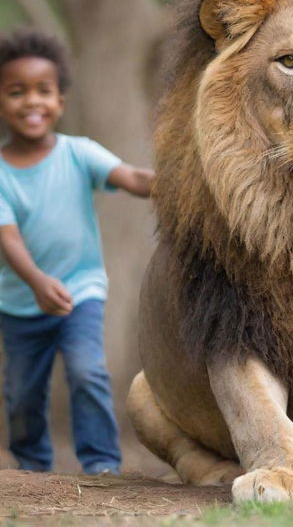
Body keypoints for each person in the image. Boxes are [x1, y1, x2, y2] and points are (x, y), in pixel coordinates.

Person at [0, 29, 155, 474]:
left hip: (81, 292)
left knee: (88, 372)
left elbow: (132, 179)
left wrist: (174, 184)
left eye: (43, 91)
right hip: (19, 302)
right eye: (16, 92)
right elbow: (8, 238)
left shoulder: (77, 153)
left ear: (60, 102)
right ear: (2, 100)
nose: (32, 102)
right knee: (22, 391)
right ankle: (31, 466)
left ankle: (101, 462)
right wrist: (37, 282)